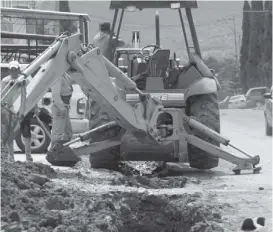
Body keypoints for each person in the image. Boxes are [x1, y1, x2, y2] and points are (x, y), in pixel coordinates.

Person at [1, 60, 38, 162]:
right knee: (9, 133)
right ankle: (10, 157)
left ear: (19, 70)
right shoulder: (5, 81)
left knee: (26, 131)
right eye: (11, 70)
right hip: (10, 110)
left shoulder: (25, 80)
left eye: (15, 69)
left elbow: (32, 94)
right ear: (9, 71)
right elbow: (2, 96)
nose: (13, 72)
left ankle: (28, 156)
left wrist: (35, 107)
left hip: (23, 109)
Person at [48, 72, 73, 151]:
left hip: (65, 106)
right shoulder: (57, 76)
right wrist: (62, 108)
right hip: (59, 107)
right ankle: (53, 152)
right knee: (57, 132)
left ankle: (63, 150)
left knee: (68, 132)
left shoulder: (65, 75)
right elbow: (55, 95)